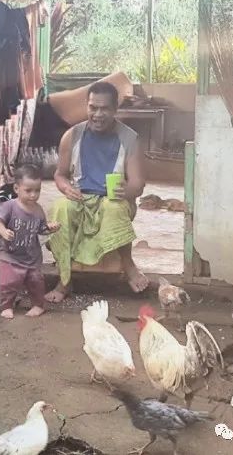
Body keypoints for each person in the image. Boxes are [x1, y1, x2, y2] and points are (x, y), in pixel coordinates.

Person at [45, 81, 150, 303]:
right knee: (60, 208)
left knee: (113, 208)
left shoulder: (129, 138)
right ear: (87, 106)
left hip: (114, 199)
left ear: (115, 109)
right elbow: (60, 175)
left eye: (105, 109)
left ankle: (128, 264)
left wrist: (125, 191)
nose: (98, 114)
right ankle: (64, 278)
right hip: (81, 198)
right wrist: (66, 188)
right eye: (93, 108)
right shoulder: (72, 136)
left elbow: (138, 184)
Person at [0, 164, 60, 319]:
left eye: (37, 190)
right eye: (28, 190)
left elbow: (41, 229)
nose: (33, 195)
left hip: (31, 256)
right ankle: (7, 306)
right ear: (16, 189)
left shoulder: (38, 210)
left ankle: (38, 305)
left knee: (36, 282)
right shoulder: (10, 206)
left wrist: (50, 228)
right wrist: (4, 232)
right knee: (8, 283)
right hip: (10, 255)